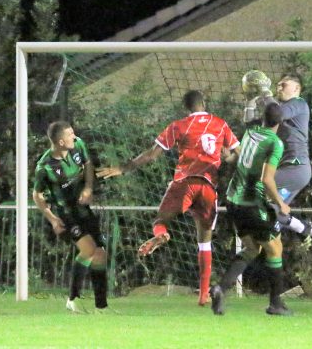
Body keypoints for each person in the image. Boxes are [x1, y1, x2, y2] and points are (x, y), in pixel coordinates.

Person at [96, 90, 240, 306]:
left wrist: (123, 168)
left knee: (161, 220)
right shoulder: (220, 123)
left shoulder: (179, 126)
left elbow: (152, 154)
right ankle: (203, 296)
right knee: (204, 242)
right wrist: (226, 158)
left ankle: (162, 234)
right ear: (204, 103)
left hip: (185, 183)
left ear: (186, 107)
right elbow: (238, 155)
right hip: (209, 187)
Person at [210, 103, 292, 316]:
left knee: (252, 248)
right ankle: (275, 304)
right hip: (252, 203)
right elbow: (267, 180)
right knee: (275, 248)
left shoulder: (250, 132)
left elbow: (238, 160)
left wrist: (228, 157)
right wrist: (281, 203)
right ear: (280, 123)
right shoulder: (275, 143)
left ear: (263, 119)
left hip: (232, 201)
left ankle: (220, 288)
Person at [242, 70, 312, 255]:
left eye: (283, 85)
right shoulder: (276, 113)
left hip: (295, 168)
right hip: (291, 171)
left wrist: (265, 93)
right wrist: (250, 101)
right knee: (272, 212)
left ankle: (269, 242)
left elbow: (276, 114)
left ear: (297, 88)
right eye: (277, 85)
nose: (279, 87)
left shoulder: (299, 104)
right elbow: (252, 128)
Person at [33, 121, 108, 313]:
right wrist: (52, 219)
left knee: (100, 253)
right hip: (67, 215)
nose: (74, 137)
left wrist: (88, 188)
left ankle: (101, 306)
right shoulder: (45, 166)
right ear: (60, 141)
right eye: (70, 134)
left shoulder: (78, 145)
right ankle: (73, 299)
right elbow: (37, 195)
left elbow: (88, 164)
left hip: (84, 210)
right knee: (88, 249)